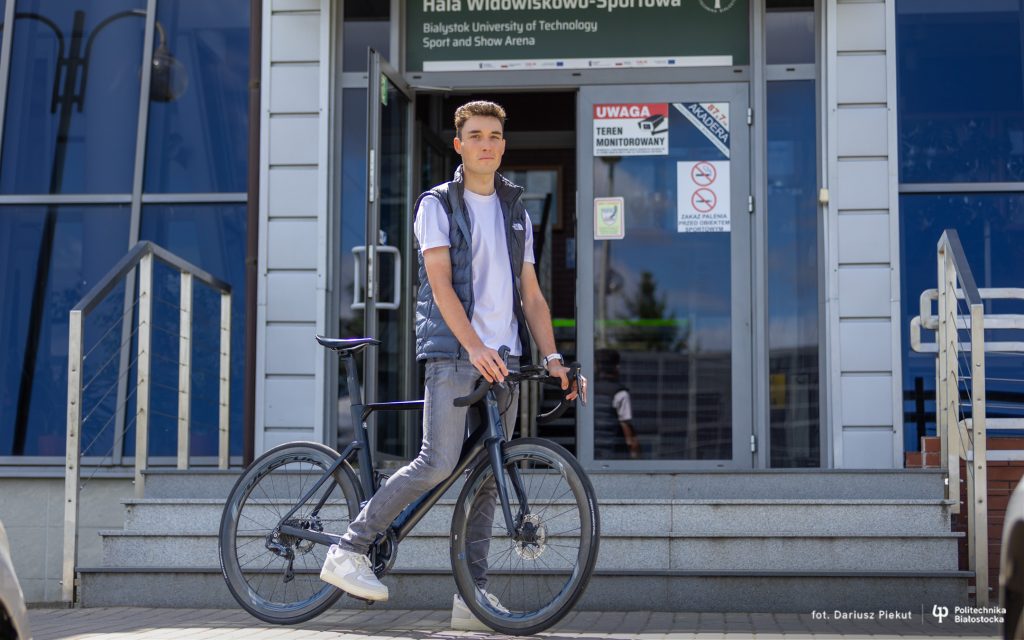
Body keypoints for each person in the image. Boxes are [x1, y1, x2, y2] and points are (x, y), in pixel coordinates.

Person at [319, 100, 576, 628]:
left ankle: (473, 599)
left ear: (503, 145)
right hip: (455, 356)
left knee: (487, 476)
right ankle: (348, 547)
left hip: (503, 362)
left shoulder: (516, 210)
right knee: (437, 462)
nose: (487, 143)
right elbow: (440, 286)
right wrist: (475, 346)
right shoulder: (437, 204)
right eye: (476, 135)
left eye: (495, 136)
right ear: (459, 145)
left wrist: (552, 358)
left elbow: (531, 296)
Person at [593, 348, 640, 459]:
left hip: (589, 448)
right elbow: (625, 424)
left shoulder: (587, 389)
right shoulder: (620, 393)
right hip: (611, 451)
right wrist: (634, 449)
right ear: (616, 367)